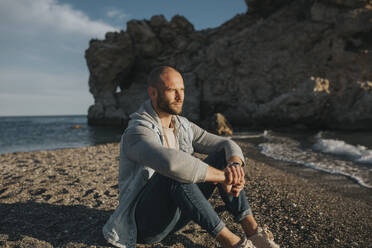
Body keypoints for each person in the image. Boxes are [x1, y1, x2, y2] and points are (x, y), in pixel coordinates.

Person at [103, 66, 279, 248]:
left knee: (221, 157)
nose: (180, 97)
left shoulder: (182, 125)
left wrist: (234, 166)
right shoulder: (137, 131)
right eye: (172, 90)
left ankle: (253, 232)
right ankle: (233, 243)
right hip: (144, 225)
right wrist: (225, 177)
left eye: (182, 90)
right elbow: (171, 164)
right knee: (175, 172)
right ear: (153, 93)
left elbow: (226, 144)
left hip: (177, 216)